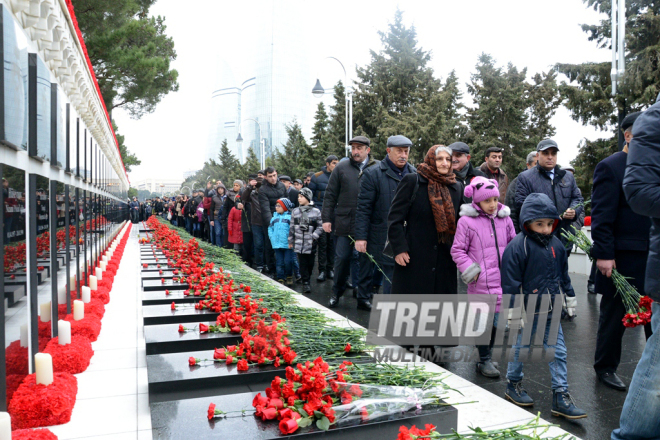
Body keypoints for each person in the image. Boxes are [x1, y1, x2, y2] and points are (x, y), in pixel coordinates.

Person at [501, 193, 586, 419]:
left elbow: (563, 274)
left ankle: (561, 395)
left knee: (558, 350)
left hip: (551, 306)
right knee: (520, 347)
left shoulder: (556, 244)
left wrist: (569, 296)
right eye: (540, 224)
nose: (546, 229)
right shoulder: (518, 247)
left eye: (549, 223)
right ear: (527, 222)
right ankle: (513, 384)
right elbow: (510, 281)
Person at [591, 111, 653, 392]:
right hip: (622, 256)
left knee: (655, 315)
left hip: (653, 255)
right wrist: (604, 254)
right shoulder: (611, 166)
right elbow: (602, 217)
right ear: (628, 135)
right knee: (615, 315)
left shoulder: (654, 166)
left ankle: (654, 369)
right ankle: (605, 367)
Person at [614, 92, 660, 440]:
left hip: (641, 249)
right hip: (629, 250)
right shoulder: (654, 122)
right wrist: (603, 252)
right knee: (657, 369)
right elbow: (639, 192)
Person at [450, 176, 516, 378]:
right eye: (487, 201)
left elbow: (514, 246)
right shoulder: (466, 222)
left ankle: (485, 354)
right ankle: (484, 359)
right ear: (477, 201)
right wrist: (472, 271)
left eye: (495, 200)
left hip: (502, 281)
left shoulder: (505, 219)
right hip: (481, 282)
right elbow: (458, 250)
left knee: (497, 321)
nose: (492, 205)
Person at [387, 145, 463, 296]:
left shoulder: (456, 187)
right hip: (415, 257)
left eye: (448, 159)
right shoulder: (412, 181)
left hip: (445, 260)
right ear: (431, 160)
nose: (445, 163)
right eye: (440, 159)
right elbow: (395, 218)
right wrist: (399, 248)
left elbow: (461, 224)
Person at [355, 135, 416, 309]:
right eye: (399, 151)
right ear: (388, 151)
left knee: (405, 279)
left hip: (408, 238)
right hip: (383, 236)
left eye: (406, 151)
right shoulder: (372, 174)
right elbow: (363, 208)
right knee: (390, 278)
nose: (403, 155)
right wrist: (360, 237)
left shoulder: (414, 174)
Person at [322, 137, 377, 308]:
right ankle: (336, 292)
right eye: (353, 148)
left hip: (369, 224)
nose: (355, 151)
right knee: (342, 258)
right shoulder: (342, 168)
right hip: (345, 222)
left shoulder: (377, 167)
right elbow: (330, 194)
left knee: (367, 261)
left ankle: (363, 297)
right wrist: (326, 219)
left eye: (359, 148)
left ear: (368, 150)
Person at [515, 139, 584, 250]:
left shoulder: (568, 177)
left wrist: (574, 211)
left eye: (553, 153)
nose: (550, 157)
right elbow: (521, 205)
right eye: (545, 153)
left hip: (564, 239)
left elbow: (578, 198)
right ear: (538, 155)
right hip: (538, 240)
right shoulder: (525, 177)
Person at [310, 155, 339, 282]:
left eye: (337, 163)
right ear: (327, 164)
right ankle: (321, 270)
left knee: (332, 243)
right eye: (333, 163)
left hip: (334, 214)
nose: (335, 165)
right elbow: (310, 195)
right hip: (320, 213)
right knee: (322, 243)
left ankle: (330, 269)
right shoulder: (317, 177)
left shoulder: (339, 176)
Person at [289, 188, 323, 293]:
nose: (299, 199)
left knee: (310, 263)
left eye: (301, 196)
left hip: (310, 242)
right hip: (299, 242)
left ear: (308, 197)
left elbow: (320, 226)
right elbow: (291, 227)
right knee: (302, 262)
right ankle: (306, 282)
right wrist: (290, 240)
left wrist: (314, 236)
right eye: (298, 196)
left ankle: (308, 276)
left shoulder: (316, 211)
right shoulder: (295, 211)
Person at [259, 167, 287, 275]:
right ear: (266, 177)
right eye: (270, 176)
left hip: (283, 219)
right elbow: (265, 209)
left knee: (284, 244)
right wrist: (272, 224)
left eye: (274, 175)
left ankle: (283, 268)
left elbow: (287, 201)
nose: (273, 178)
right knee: (270, 245)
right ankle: (271, 268)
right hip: (270, 221)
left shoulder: (282, 186)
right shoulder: (262, 189)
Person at [243, 175, 266, 272]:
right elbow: (244, 197)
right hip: (256, 222)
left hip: (266, 221)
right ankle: (259, 265)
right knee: (258, 244)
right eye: (258, 185)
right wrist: (249, 186)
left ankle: (266, 263)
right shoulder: (252, 194)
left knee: (266, 245)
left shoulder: (267, 193)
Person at [269, 198, 294, 285]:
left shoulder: (290, 218)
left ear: (285, 207)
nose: (276, 207)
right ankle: (280, 277)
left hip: (287, 244)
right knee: (279, 262)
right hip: (277, 244)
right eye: (276, 205)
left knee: (288, 261)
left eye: (279, 206)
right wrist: (272, 237)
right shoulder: (274, 218)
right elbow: (270, 228)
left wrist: (291, 240)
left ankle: (289, 276)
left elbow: (292, 230)